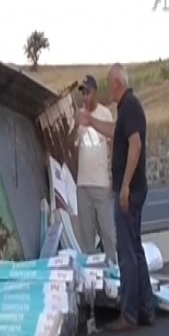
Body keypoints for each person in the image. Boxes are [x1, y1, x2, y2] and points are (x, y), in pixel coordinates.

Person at [75, 64, 154, 332]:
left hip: (129, 191)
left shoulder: (129, 107)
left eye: (110, 83)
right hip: (130, 188)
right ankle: (145, 308)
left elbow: (135, 145)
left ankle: (129, 313)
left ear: (118, 83)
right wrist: (89, 121)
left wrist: (125, 186)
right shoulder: (127, 109)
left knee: (127, 253)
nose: (109, 89)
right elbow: (114, 131)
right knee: (136, 249)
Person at [69, 75, 117, 263]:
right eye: (83, 94)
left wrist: (113, 174)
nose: (85, 97)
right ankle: (91, 274)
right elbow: (69, 144)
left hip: (101, 183)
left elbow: (113, 144)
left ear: (95, 93)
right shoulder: (79, 115)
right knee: (86, 234)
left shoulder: (105, 114)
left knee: (107, 231)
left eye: (88, 93)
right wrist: (76, 125)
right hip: (83, 184)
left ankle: (113, 267)